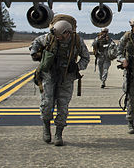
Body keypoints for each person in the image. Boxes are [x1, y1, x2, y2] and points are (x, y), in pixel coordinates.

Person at [29, 18, 90, 147]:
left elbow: (86, 58)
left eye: (61, 37)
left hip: (66, 76)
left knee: (63, 106)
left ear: (68, 33)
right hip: (49, 74)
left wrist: (77, 67)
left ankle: (58, 133)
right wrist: (35, 54)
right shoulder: (49, 38)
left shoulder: (77, 41)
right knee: (47, 103)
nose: (58, 39)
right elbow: (34, 44)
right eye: (56, 36)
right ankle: (46, 127)